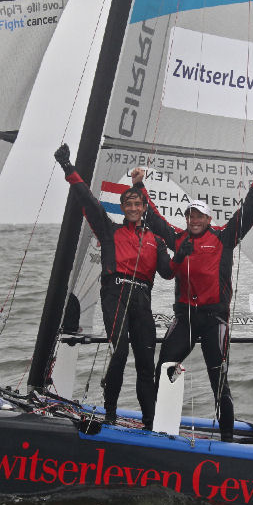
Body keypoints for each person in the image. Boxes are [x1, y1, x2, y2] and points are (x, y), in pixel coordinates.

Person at [132, 149, 253, 442]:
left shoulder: (224, 237)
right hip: (185, 318)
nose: (194, 219)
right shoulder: (178, 238)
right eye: (190, 215)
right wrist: (138, 186)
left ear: (208, 218)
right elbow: (154, 218)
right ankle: (161, 426)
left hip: (214, 319)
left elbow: (248, 209)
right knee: (165, 365)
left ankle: (227, 440)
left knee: (217, 378)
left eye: (199, 215)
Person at [54, 143, 173, 430]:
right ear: (123, 208)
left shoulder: (155, 241)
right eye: (128, 204)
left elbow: (169, 273)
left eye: (137, 204)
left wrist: (188, 255)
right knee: (119, 353)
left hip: (142, 299)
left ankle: (150, 421)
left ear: (144, 207)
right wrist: (68, 167)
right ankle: (109, 413)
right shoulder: (110, 230)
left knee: (146, 361)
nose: (133, 208)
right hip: (115, 293)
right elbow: (89, 201)